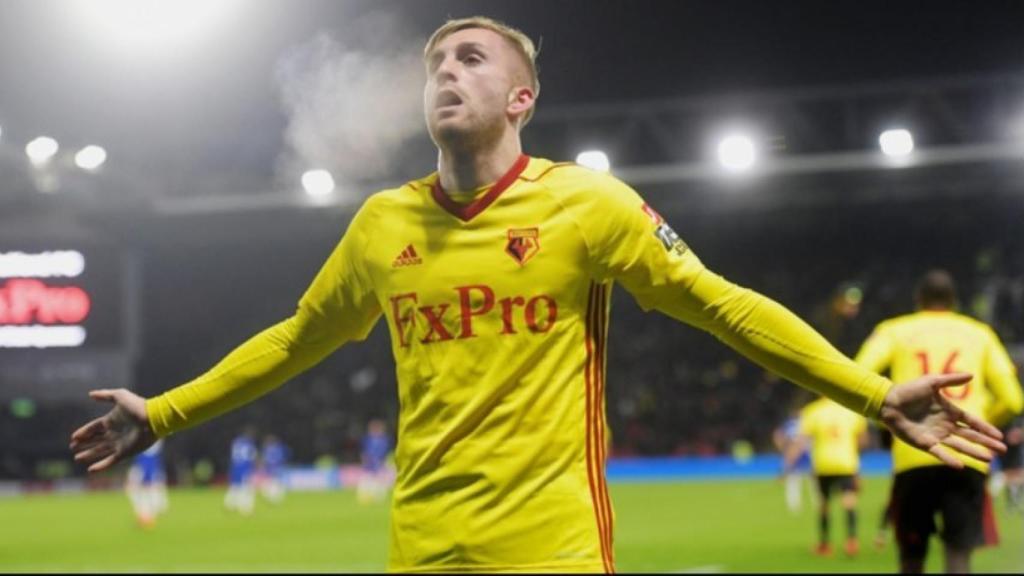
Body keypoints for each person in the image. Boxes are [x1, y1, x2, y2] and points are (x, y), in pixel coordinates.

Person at [70, 16, 1007, 573]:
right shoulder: (380, 226)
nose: (446, 71)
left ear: (523, 99)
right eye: (436, 62)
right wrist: (162, 412)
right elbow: (295, 339)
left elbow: (722, 304)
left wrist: (873, 395)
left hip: (551, 553)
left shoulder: (585, 206)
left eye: (471, 59)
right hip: (422, 550)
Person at [854, 269, 1023, 574]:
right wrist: (976, 424)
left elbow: (858, 375)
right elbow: (1013, 399)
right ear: (954, 302)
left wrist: (886, 423)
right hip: (967, 455)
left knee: (912, 557)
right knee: (959, 555)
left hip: (913, 452)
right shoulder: (980, 333)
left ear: (919, 300)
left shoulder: (894, 330)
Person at [784, 397, 867, 557]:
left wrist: (788, 463)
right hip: (846, 463)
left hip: (823, 464)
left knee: (824, 505)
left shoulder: (813, 411)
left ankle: (825, 544)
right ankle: (851, 541)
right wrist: (856, 458)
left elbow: (801, 441)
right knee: (849, 502)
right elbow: (862, 439)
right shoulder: (850, 410)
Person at [773, 404, 814, 514]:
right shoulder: (807, 422)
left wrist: (783, 448)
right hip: (806, 453)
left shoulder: (790, 424)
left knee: (794, 482)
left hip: (797, 454)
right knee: (811, 482)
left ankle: (795, 508)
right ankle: (818, 504)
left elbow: (777, 435)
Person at [125, 438, 168, 528]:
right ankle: (145, 517)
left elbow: (148, 458)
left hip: (144, 470)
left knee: (141, 494)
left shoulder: (150, 446)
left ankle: (146, 518)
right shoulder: (152, 444)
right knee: (138, 493)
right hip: (143, 467)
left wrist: (146, 477)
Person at [357, 418, 394, 504]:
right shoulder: (367, 439)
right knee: (367, 479)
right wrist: (364, 459)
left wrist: (385, 460)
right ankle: (364, 496)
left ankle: (378, 497)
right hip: (369, 462)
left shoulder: (385, 439)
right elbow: (364, 451)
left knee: (379, 480)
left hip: (380, 462)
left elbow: (386, 451)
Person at [224, 427, 258, 515]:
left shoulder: (236, 442)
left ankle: (229, 505)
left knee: (234, 487)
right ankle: (246, 509)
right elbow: (252, 456)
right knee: (247, 489)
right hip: (244, 468)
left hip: (235, 467)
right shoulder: (249, 443)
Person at [258, 434, 289, 504]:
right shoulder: (279, 448)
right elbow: (284, 458)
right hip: (277, 468)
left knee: (272, 483)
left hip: (271, 468)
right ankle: (275, 498)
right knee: (274, 483)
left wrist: (262, 466)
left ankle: (274, 498)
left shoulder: (267, 449)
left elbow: (265, 459)